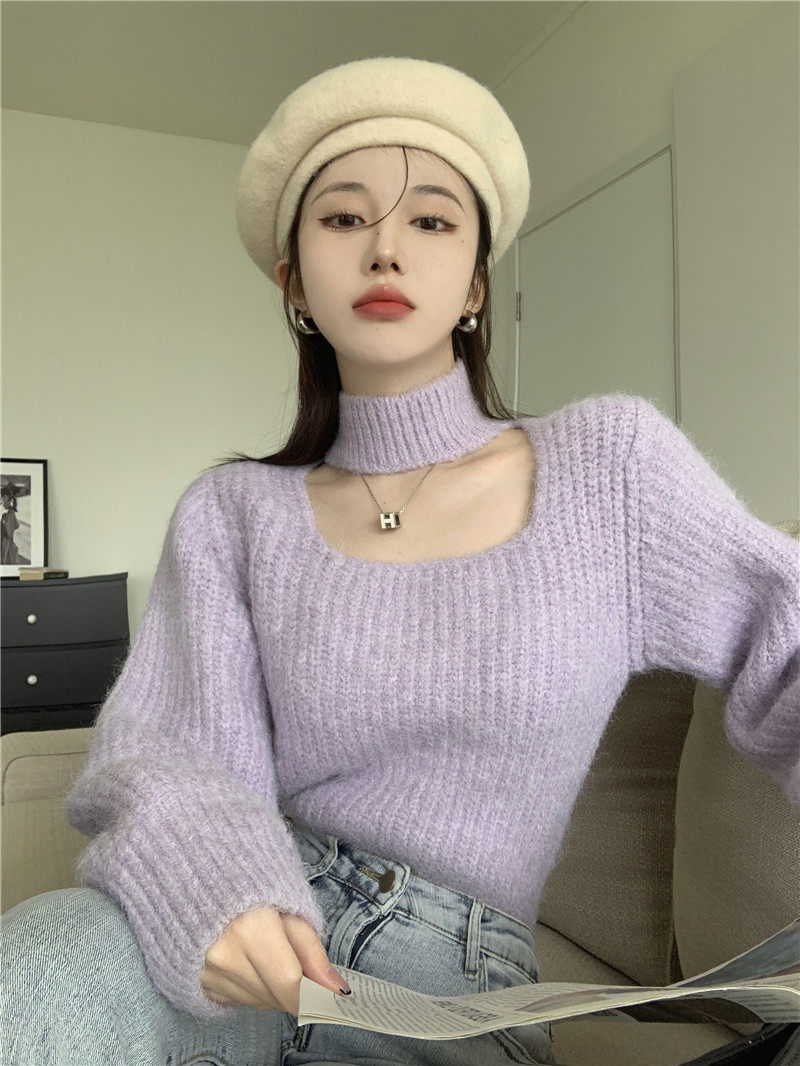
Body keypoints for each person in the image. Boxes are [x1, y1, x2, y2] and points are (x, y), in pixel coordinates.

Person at [3, 55, 798, 1066]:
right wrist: (214, 887)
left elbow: (785, 642)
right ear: (295, 281)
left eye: (430, 220)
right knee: (34, 972)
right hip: (250, 925)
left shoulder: (610, 470)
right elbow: (169, 744)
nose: (385, 248)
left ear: (476, 283)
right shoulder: (231, 514)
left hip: (453, 980)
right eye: (343, 217)